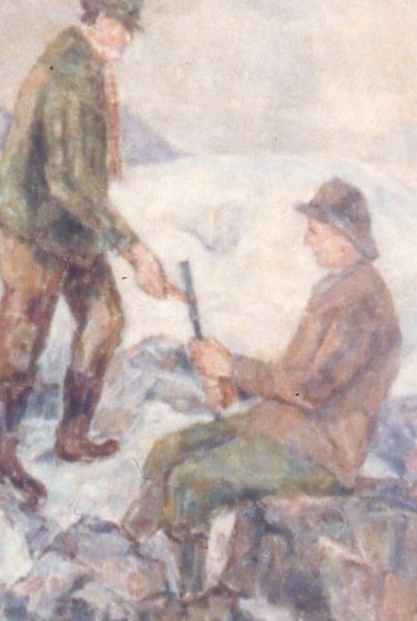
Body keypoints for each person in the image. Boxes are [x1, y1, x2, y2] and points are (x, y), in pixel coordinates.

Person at [0, 0, 181, 508]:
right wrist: (134, 249)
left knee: (104, 319)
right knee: (21, 336)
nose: (127, 39)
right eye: (121, 25)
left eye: (131, 28)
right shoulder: (69, 76)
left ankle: (72, 437)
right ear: (100, 18)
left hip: (74, 225)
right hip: (34, 225)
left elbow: (82, 184)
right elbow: (69, 182)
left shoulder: (89, 67)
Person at [122, 179, 401, 545]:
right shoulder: (337, 289)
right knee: (166, 452)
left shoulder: (362, 304)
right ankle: (134, 548)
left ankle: (183, 578)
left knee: (191, 482)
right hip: (282, 429)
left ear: (343, 239)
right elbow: (292, 375)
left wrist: (232, 367)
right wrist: (232, 385)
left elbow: (311, 390)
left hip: (319, 453)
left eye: (315, 232)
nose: (307, 241)